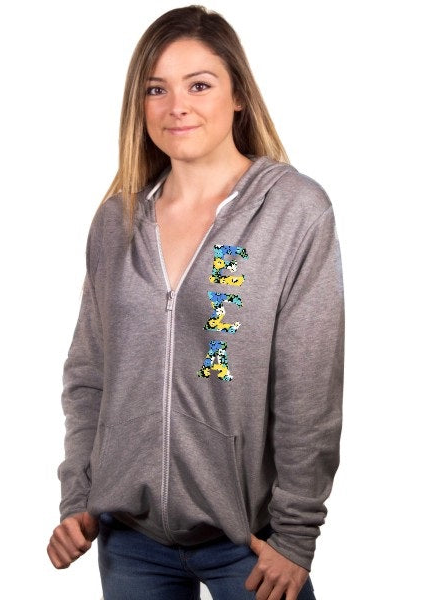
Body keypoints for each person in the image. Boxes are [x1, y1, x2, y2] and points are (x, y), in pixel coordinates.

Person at [47, 6, 344, 600]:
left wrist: (295, 536)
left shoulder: (294, 212)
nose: (176, 106)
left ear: (239, 97)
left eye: (199, 85)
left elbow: (309, 387)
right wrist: (78, 497)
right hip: (128, 540)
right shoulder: (116, 221)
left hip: (249, 543)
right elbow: (90, 375)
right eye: (156, 89)